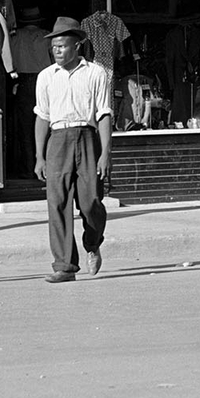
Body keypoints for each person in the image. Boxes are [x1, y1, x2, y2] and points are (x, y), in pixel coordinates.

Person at [34, 17, 114, 283]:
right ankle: (64, 266)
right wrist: (39, 156)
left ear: (77, 46)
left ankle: (92, 242)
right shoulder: (45, 77)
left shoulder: (96, 73)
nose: (57, 51)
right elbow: (42, 117)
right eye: (54, 46)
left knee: (91, 202)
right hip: (57, 140)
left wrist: (105, 154)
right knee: (57, 203)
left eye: (62, 46)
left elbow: (104, 114)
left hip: (87, 137)